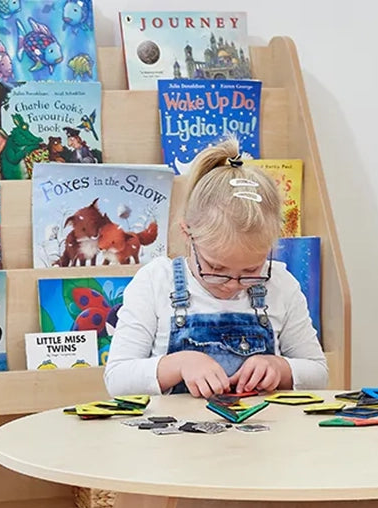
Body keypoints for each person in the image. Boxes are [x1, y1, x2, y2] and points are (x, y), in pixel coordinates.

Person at [105, 137, 327, 397]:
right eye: (217, 269)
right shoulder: (155, 281)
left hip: (262, 434)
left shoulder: (280, 283)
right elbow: (117, 379)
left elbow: (319, 373)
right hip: (173, 435)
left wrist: (279, 367)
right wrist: (178, 365)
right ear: (188, 234)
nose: (232, 284)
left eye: (250, 272)